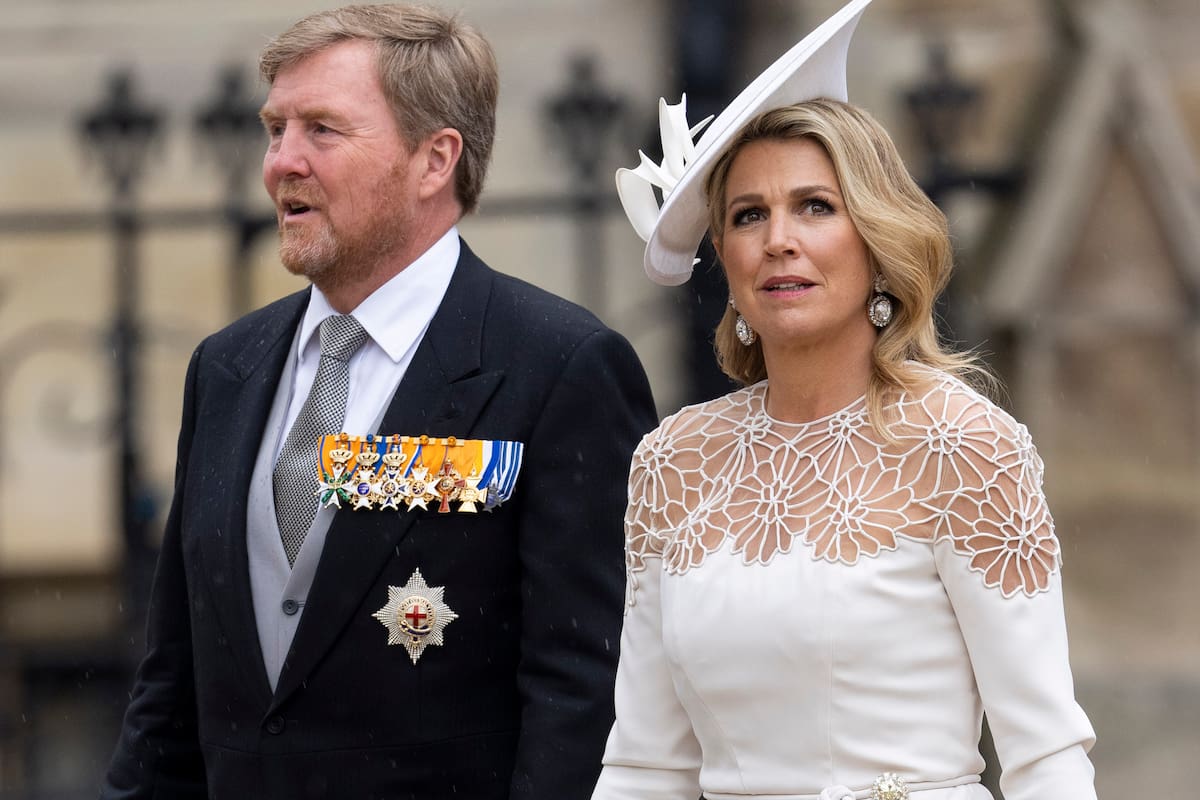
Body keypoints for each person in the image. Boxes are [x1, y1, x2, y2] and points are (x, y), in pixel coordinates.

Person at [101, 5, 657, 799]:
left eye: (322, 130)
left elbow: (583, 696)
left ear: (435, 160)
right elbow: (171, 688)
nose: (281, 163)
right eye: (275, 129)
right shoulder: (225, 369)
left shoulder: (558, 366)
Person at [592, 1, 1097, 799]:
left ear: (876, 236)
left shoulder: (966, 444)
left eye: (815, 207)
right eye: (749, 216)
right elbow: (645, 764)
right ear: (724, 256)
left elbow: (1047, 755)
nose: (778, 240)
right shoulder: (673, 461)